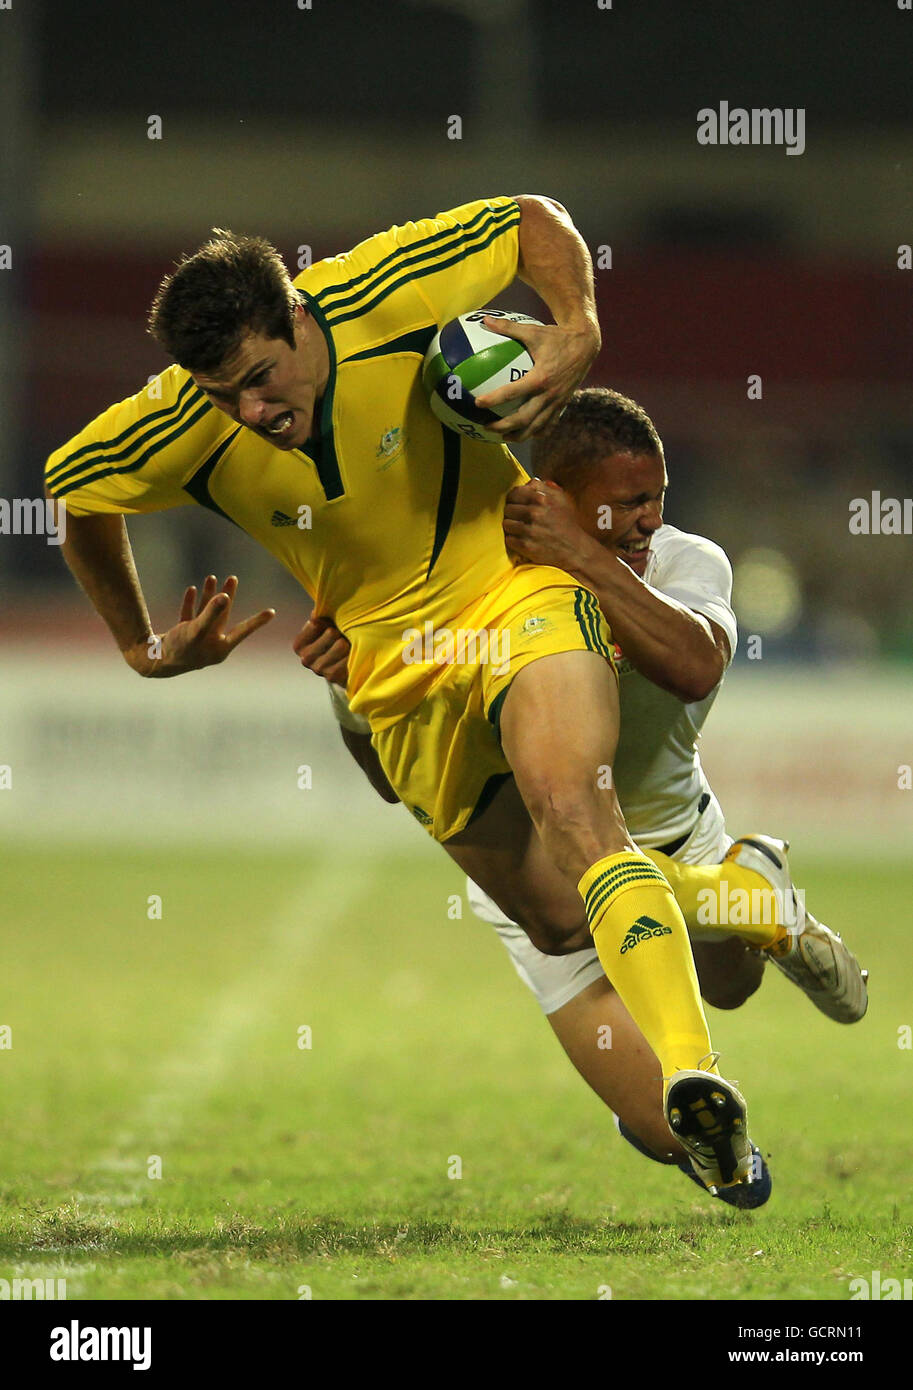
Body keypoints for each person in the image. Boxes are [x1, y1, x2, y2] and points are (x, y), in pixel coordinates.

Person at [47, 195, 786, 1189]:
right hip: (392, 669)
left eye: (261, 377)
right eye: (224, 395)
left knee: (579, 813)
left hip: (513, 596)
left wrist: (578, 328)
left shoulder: (375, 292)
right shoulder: (180, 424)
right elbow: (77, 489)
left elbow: (530, 218)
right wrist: (138, 643)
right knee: (558, 921)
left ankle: (694, 1067)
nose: (251, 410)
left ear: (297, 321)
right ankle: (729, 895)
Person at [298, 387, 868, 1205]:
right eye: (627, 503)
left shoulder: (685, 561)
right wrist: (354, 690)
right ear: (554, 496)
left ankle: (736, 893)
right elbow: (391, 784)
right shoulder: (464, 584)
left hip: (672, 831)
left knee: (732, 987)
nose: (648, 519)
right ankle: (746, 900)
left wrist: (582, 554)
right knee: (682, 1143)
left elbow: (695, 663)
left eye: (656, 497)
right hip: (535, 867)